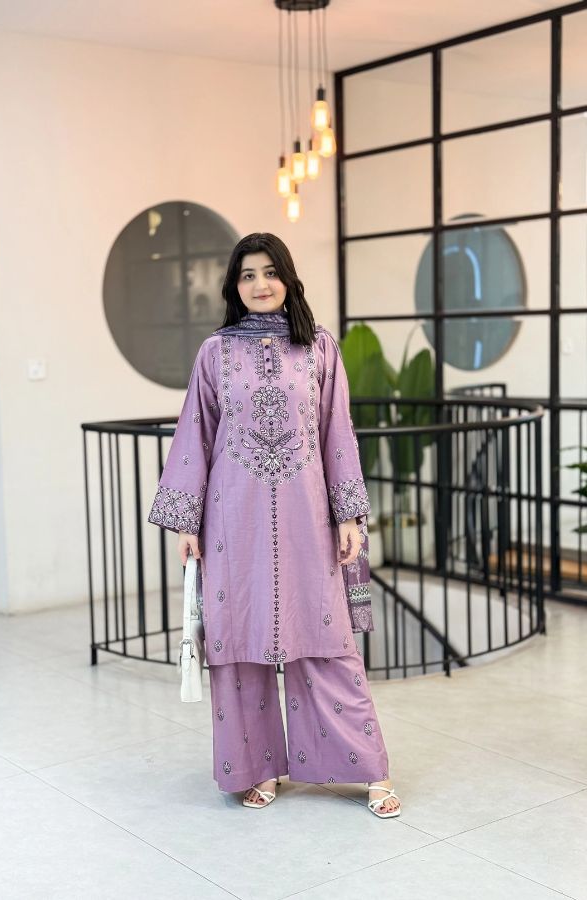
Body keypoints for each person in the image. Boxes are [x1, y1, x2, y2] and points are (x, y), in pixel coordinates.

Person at [147, 232, 401, 818]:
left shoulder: (318, 349)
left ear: (288, 278)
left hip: (309, 516)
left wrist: (349, 514)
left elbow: (338, 432)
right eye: (247, 276)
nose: (260, 284)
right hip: (231, 518)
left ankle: (368, 770)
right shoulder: (215, 352)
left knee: (326, 639)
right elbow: (196, 433)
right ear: (234, 287)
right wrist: (187, 520)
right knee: (238, 643)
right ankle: (255, 768)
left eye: (270, 272)